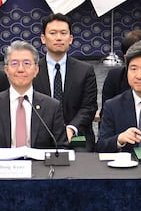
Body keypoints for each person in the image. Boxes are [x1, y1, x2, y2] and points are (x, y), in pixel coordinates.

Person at [0, 41, 67, 152]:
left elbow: (61, 148)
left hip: (39, 167)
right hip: (2, 167)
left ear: (36, 70)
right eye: (14, 64)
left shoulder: (51, 107)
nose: (21, 69)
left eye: (27, 63)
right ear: (6, 70)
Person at [33, 13, 97, 144]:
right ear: (43, 38)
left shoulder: (85, 70)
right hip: (40, 136)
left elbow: (89, 107)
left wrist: (71, 129)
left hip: (77, 135)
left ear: (71, 38)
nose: (58, 38)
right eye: (53, 33)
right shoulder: (32, 70)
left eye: (63, 33)